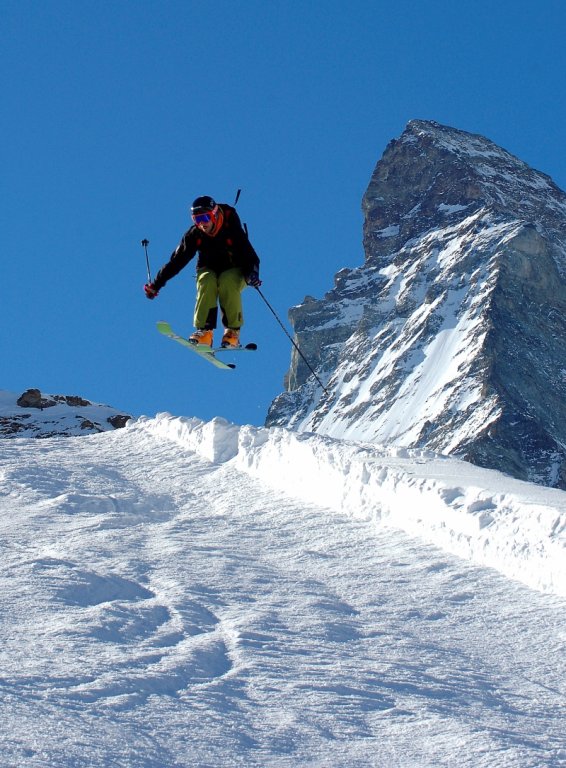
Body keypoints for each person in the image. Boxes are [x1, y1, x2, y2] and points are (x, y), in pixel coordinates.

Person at [144, 195, 261, 348]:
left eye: (205, 218)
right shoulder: (195, 235)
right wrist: (156, 284)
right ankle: (205, 332)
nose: (202, 224)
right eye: (197, 220)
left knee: (227, 282)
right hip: (208, 268)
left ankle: (232, 332)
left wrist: (252, 272)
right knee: (207, 281)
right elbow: (177, 261)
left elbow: (248, 252)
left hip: (236, 267)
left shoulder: (230, 225)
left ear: (214, 214)